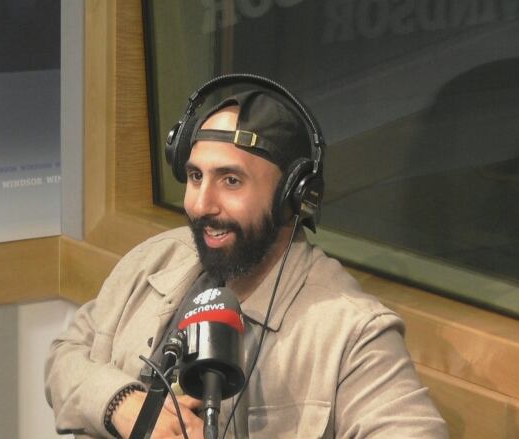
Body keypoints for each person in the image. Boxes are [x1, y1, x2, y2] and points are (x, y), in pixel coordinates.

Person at [45, 77, 448, 438]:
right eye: (195, 176)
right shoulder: (155, 259)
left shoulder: (351, 332)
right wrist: (122, 403)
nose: (202, 205)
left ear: (293, 197)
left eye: (231, 181)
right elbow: (65, 357)